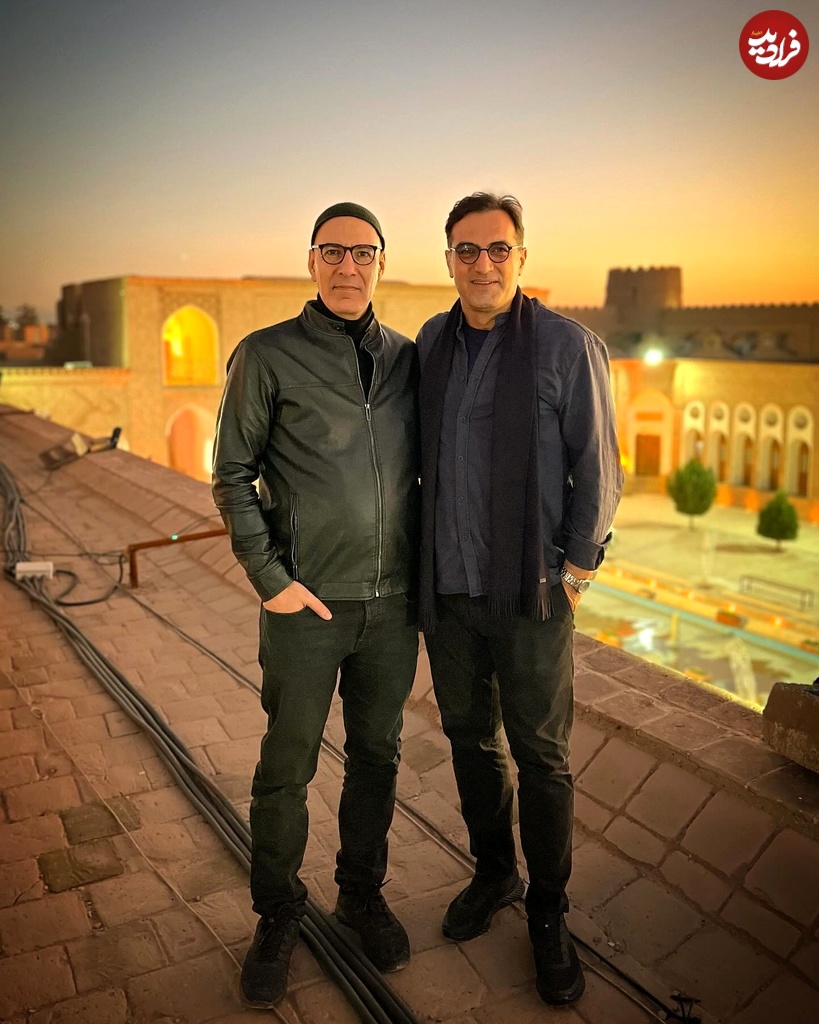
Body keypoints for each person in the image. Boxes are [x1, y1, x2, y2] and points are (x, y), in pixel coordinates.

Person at [417, 192, 622, 1006]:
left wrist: (575, 573)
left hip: (532, 594)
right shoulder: (431, 344)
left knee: (540, 757)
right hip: (450, 590)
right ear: (449, 261)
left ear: (521, 258)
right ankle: (494, 873)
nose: (483, 264)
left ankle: (547, 909)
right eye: (467, 250)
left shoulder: (565, 346)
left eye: (497, 249)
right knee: (470, 741)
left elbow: (597, 468)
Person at [212, 202, 420, 1009]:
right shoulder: (266, 355)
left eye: (362, 253)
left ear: (380, 264)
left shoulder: (406, 360)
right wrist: (271, 580)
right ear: (310, 261)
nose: (347, 267)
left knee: (377, 758)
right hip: (306, 607)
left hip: (392, 608)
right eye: (332, 251)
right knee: (286, 768)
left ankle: (359, 895)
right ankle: (277, 914)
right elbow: (232, 473)